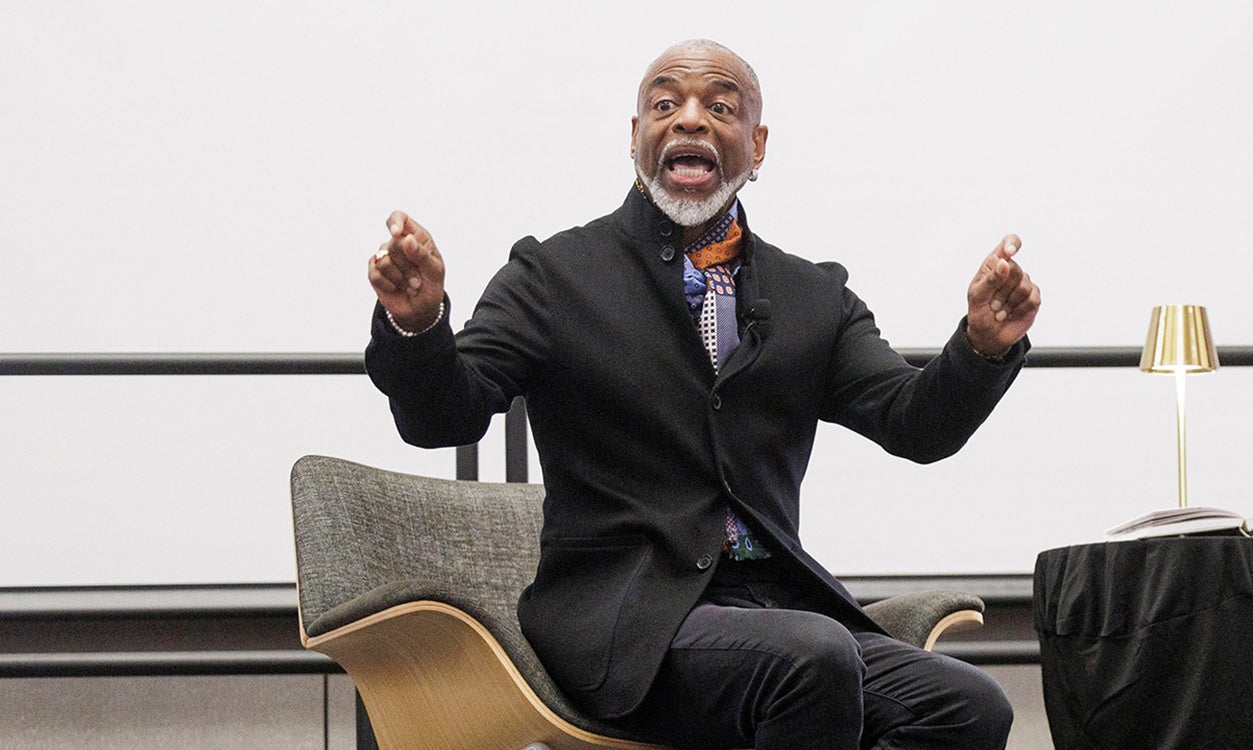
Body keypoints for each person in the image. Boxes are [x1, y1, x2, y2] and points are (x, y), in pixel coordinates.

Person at [362, 39, 1038, 750]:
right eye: (664, 105)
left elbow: (914, 425)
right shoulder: (555, 275)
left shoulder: (812, 296)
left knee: (966, 706)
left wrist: (981, 349)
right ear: (634, 138)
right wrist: (419, 325)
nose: (689, 120)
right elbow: (447, 414)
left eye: (720, 107)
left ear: (757, 146)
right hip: (622, 620)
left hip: (775, 607)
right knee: (809, 659)